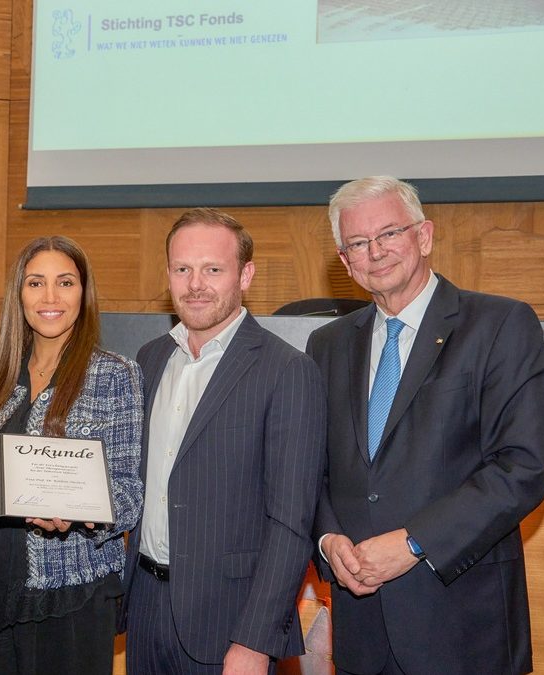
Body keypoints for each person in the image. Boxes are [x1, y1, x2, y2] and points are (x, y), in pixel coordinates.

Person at [307, 176, 544, 675]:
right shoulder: (327, 345)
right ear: (344, 261)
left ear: (424, 236)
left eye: (389, 234)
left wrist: (413, 542)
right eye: (358, 243)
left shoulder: (500, 325)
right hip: (363, 626)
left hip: (465, 624)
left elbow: (522, 466)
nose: (375, 252)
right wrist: (327, 538)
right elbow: (313, 469)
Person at [122, 208, 327, 675]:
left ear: (245, 275)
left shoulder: (286, 370)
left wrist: (255, 640)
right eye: (183, 269)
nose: (196, 284)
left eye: (213, 269)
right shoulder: (150, 359)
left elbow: (291, 523)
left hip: (229, 622)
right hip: (146, 608)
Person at [0, 236, 144, 675]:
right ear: (19, 294)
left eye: (65, 282)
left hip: (70, 590)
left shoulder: (115, 374)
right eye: (36, 283)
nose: (50, 297)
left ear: (84, 293)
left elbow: (130, 495)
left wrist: (81, 512)